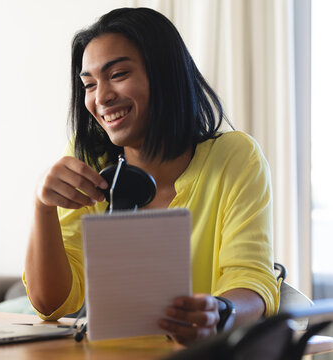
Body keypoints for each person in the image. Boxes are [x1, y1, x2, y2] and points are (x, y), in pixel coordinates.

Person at [24, 7, 279, 345]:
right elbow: (52, 304)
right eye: (89, 84)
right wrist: (42, 207)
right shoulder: (88, 160)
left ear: (164, 74)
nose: (100, 98)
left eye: (117, 74)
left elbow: (252, 280)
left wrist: (219, 312)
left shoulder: (233, 157)